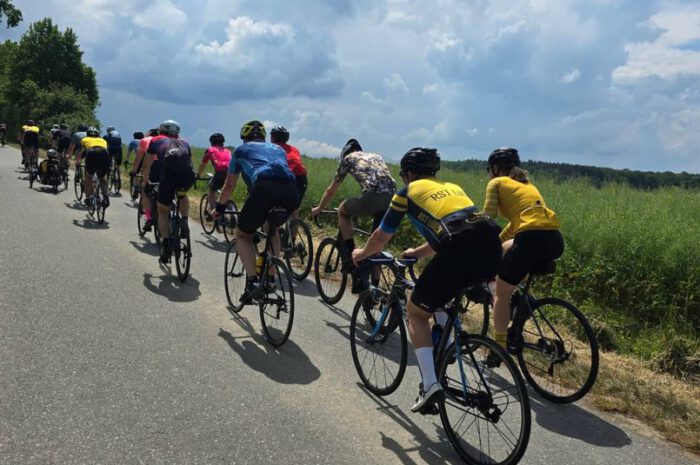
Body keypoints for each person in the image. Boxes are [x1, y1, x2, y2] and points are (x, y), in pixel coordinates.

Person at [352, 147, 502, 413]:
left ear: (408, 174)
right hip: (490, 236)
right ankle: (449, 345)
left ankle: (430, 384)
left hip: (458, 244)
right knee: (441, 295)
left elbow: (381, 236)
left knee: (416, 311)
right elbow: (455, 224)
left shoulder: (407, 192)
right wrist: (418, 252)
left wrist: (362, 253)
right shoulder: (452, 186)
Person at [482, 147, 563, 352]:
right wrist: (496, 243)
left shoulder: (496, 183)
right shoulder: (527, 186)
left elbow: (488, 216)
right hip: (554, 240)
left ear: (495, 168)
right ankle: (523, 303)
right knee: (504, 250)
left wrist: (471, 223)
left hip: (530, 239)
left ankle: (498, 349)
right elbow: (517, 224)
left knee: (500, 295)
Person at [213, 120, 297, 301]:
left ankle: (252, 282)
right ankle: (272, 278)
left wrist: (219, 208)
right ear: (263, 137)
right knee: (272, 229)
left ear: (244, 137)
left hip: (264, 188)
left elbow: (229, 185)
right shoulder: (278, 149)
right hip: (291, 191)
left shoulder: (241, 150)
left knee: (243, 235)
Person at [311, 138, 396, 293]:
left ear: (344, 154)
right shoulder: (376, 156)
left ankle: (351, 257)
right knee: (375, 246)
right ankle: (374, 290)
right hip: (392, 199)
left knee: (343, 212)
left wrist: (319, 208)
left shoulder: (348, 159)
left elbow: (332, 189)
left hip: (371, 197)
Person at [143, 120, 196, 264]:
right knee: (182, 194)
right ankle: (184, 223)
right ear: (177, 133)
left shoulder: (155, 140)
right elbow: (191, 164)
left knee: (163, 210)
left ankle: (166, 244)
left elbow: (146, 165)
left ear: (161, 131)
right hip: (187, 176)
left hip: (169, 175)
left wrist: (146, 182)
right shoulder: (184, 142)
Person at [270, 126, 307, 217]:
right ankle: (294, 227)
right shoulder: (294, 149)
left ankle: (273, 230)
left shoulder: (271, 148)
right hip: (302, 179)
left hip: (285, 178)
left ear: (272, 137)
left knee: (272, 208)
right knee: (294, 209)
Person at [130, 128, 160, 231]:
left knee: (145, 190)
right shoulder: (166, 139)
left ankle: (148, 218)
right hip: (168, 165)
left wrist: (134, 171)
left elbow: (138, 158)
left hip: (153, 165)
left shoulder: (145, 140)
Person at [196, 132, 231, 215]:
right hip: (230, 174)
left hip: (219, 173)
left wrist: (198, 175)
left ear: (211, 142)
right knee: (226, 190)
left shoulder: (210, 150)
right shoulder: (228, 151)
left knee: (211, 191)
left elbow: (203, 165)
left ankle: (214, 211)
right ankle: (230, 209)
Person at [75, 127, 111, 208]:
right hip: (105, 154)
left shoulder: (84, 139)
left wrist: (77, 162)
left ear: (88, 134)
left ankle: (88, 198)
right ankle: (105, 195)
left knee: (88, 176)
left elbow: (80, 152)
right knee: (102, 177)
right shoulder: (103, 140)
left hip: (92, 153)